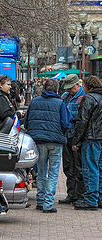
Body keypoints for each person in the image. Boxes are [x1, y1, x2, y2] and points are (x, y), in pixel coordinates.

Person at [24, 79, 72, 213]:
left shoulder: (34, 101)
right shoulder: (60, 103)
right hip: (55, 142)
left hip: (38, 141)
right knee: (53, 173)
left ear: (44, 88)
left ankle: (40, 201)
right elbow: (66, 123)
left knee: (41, 172)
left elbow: (27, 122)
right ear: (57, 90)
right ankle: (48, 204)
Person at [72, 76, 102, 210]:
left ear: (88, 86)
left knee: (90, 169)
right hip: (100, 137)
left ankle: (91, 199)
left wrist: (76, 140)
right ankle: (99, 197)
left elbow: (82, 121)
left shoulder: (89, 98)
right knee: (99, 168)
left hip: (91, 137)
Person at [58, 74, 86, 205]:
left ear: (77, 85)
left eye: (71, 88)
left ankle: (80, 195)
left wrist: (68, 117)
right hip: (66, 136)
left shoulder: (84, 96)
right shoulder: (64, 96)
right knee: (68, 166)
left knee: (79, 166)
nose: (69, 91)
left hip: (77, 137)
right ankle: (71, 194)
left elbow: (82, 117)